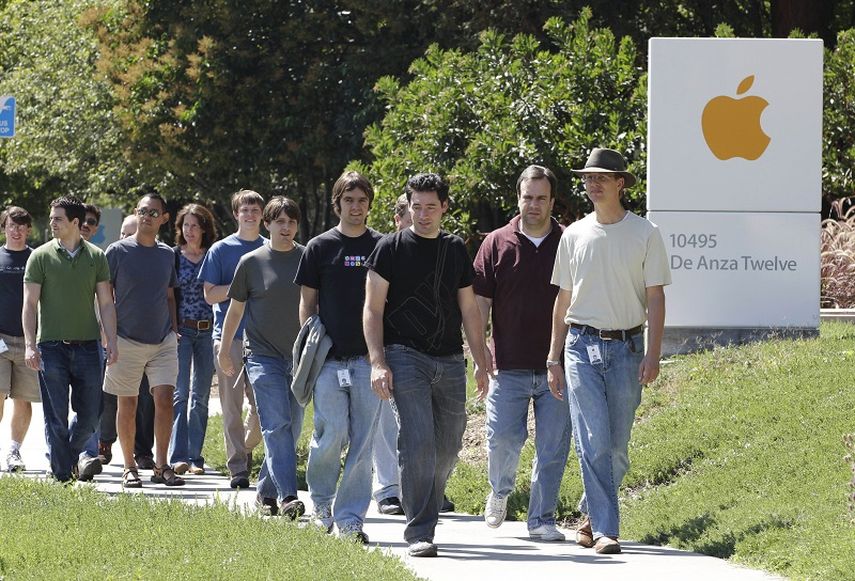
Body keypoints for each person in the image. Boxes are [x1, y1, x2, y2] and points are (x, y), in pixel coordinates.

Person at [546, 148, 671, 554]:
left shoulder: (645, 233)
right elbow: (563, 300)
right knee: (593, 438)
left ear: (621, 183)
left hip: (627, 347)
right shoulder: (573, 234)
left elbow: (655, 298)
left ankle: (590, 515)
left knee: (616, 447)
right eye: (587, 177)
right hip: (580, 347)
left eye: (601, 177)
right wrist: (553, 357)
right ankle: (606, 530)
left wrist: (653, 353)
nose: (592, 183)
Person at [364, 172, 490, 558]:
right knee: (417, 442)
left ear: (444, 208)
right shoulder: (390, 248)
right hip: (404, 355)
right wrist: (378, 361)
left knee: (450, 445)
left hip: (450, 359)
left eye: (430, 207)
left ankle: (426, 507)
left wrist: (481, 359)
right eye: (416, 206)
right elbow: (372, 308)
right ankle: (420, 530)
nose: (422, 214)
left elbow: (469, 308)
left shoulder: (454, 249)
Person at [473, 165, 571, 541]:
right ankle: (499, 490)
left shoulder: (569, 241)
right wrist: (481, 355)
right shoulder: (496, 242)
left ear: (551, 201)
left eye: (541, 198)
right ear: (518, 198)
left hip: (556, 366)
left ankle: (541, 518)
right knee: (502, 437)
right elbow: (480, 302)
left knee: (552, 445)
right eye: (527, 197)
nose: (534, 204)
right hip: (507, 364)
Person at [295, 170, 383, 543]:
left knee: (363, 442)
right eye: (349, 200)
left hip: (367, 361)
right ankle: (321, 504)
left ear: (369, 204)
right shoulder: (319, 247)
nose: (356, 207)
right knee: (330, 435)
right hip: (329, 361)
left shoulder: (383, 245)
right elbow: (307, 305)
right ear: (337, 204)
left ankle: (350, 519)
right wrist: (312, 349)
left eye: (362, 200)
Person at [218, 197, 305, 519]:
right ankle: (287, 497)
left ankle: (266, 490)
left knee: (292, 428)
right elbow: (235, 310)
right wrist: (225, 349)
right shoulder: (251, 262)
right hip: (262, 357)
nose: (286, 227)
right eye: (279, 221)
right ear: (266, 224)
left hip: (299, 359)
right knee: (275, 424)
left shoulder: (307, 258)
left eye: (291, 222)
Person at [22, 196, 118, 482]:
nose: (52, 223)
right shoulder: (39, 256)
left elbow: (106, 303)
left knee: (91, 417)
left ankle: (66, 457)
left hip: (89, 348)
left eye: (58, 219)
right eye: (52, 218)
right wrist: (29, 344)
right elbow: (29, 304)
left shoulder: (97, 257)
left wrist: (111, 340)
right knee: (56, 418)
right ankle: (63, 475)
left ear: (75, 223)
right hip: (51, 348)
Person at [103, 192, 184, 488]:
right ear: (136, 214)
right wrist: (107, 336)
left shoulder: (167, 254)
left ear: (164, 218)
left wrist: (174, 329)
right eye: (142, 211)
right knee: (129, 403)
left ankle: (162, 465)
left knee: (164, 400)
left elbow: (170, 294)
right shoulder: (117, 251)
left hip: (163, 339)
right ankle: (129, 467)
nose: (147, 217)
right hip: (125, 339)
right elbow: (104, 297)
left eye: (153, 213)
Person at [199, 190, 266, 489]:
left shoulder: (272, 247)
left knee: (264, 407)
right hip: (229, 339)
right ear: (236, 214)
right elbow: (210, 294)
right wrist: (240, 288)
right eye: (244, 210)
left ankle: (247, 448)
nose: (250, 214)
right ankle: (237, 468)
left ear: (263, 214)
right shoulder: (220, 250)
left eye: (255, 210)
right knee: (231, 406)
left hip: (265, 338)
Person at [168, 204, 218, 475]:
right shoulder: (173, 256)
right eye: (185, 225)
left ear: (204, 229)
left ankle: (195, 457)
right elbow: (168, 296)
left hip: (208, 331)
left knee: (200, 397)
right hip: (182, 332)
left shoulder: (213, 255)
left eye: (195, 225)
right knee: (180, 394)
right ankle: (178, 456)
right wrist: (172, 328)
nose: (189, 231)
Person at [371, 194, 410, 516]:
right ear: (398, 219)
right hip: (386, 348)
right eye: (411, 216)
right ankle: (387, 490)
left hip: (427, 351)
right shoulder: (384, 251)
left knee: (425, 425)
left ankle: (422, 487)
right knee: (386, 424)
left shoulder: (440, 247)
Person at [0, 207, 40, 473]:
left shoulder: (37, 258)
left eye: (21, 226)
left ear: (28, 229)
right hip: (0, 339)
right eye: (11, 225)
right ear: (4, 227)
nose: (16, 230)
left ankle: (14, 451)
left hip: (29, 340)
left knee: (23, 399)